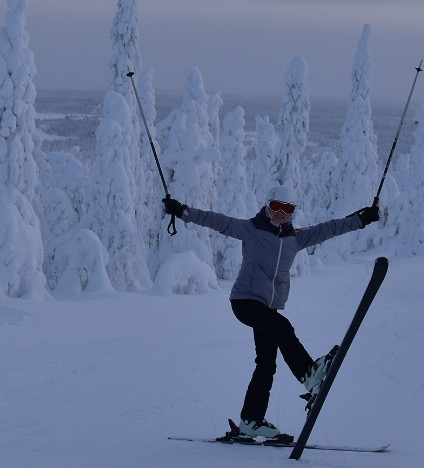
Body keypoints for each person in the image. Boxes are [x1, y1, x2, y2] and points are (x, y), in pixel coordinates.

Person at [162, 187, 379, 439]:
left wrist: (361, 219)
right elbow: (216, 220)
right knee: (283, 328)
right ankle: (309, 375)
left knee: (266, 364)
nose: (281, 213)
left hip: (267, 307)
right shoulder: (251, 229)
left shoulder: (295, 238)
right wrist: (183, 211)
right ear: (267, 206)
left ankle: (251, 421)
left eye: (287, 209)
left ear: (293, 213)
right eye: (276, 207)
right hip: (245, 301)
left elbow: (329, 228)